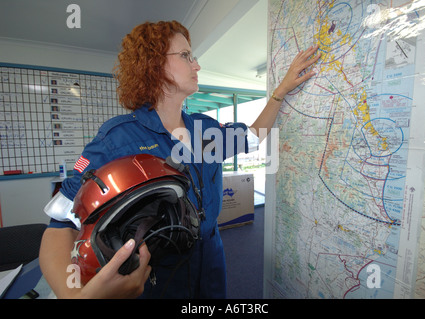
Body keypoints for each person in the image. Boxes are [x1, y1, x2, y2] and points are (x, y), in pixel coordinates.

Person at [39, 20, 320, 299]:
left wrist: (279, 92)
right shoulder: (116, 138)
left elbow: (253, 136)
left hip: (212, 259)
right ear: (154, 64)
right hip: (158, 277)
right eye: (186, 56)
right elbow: (60, 226)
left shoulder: (205, 129)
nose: (196, 65)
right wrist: (73, 295)